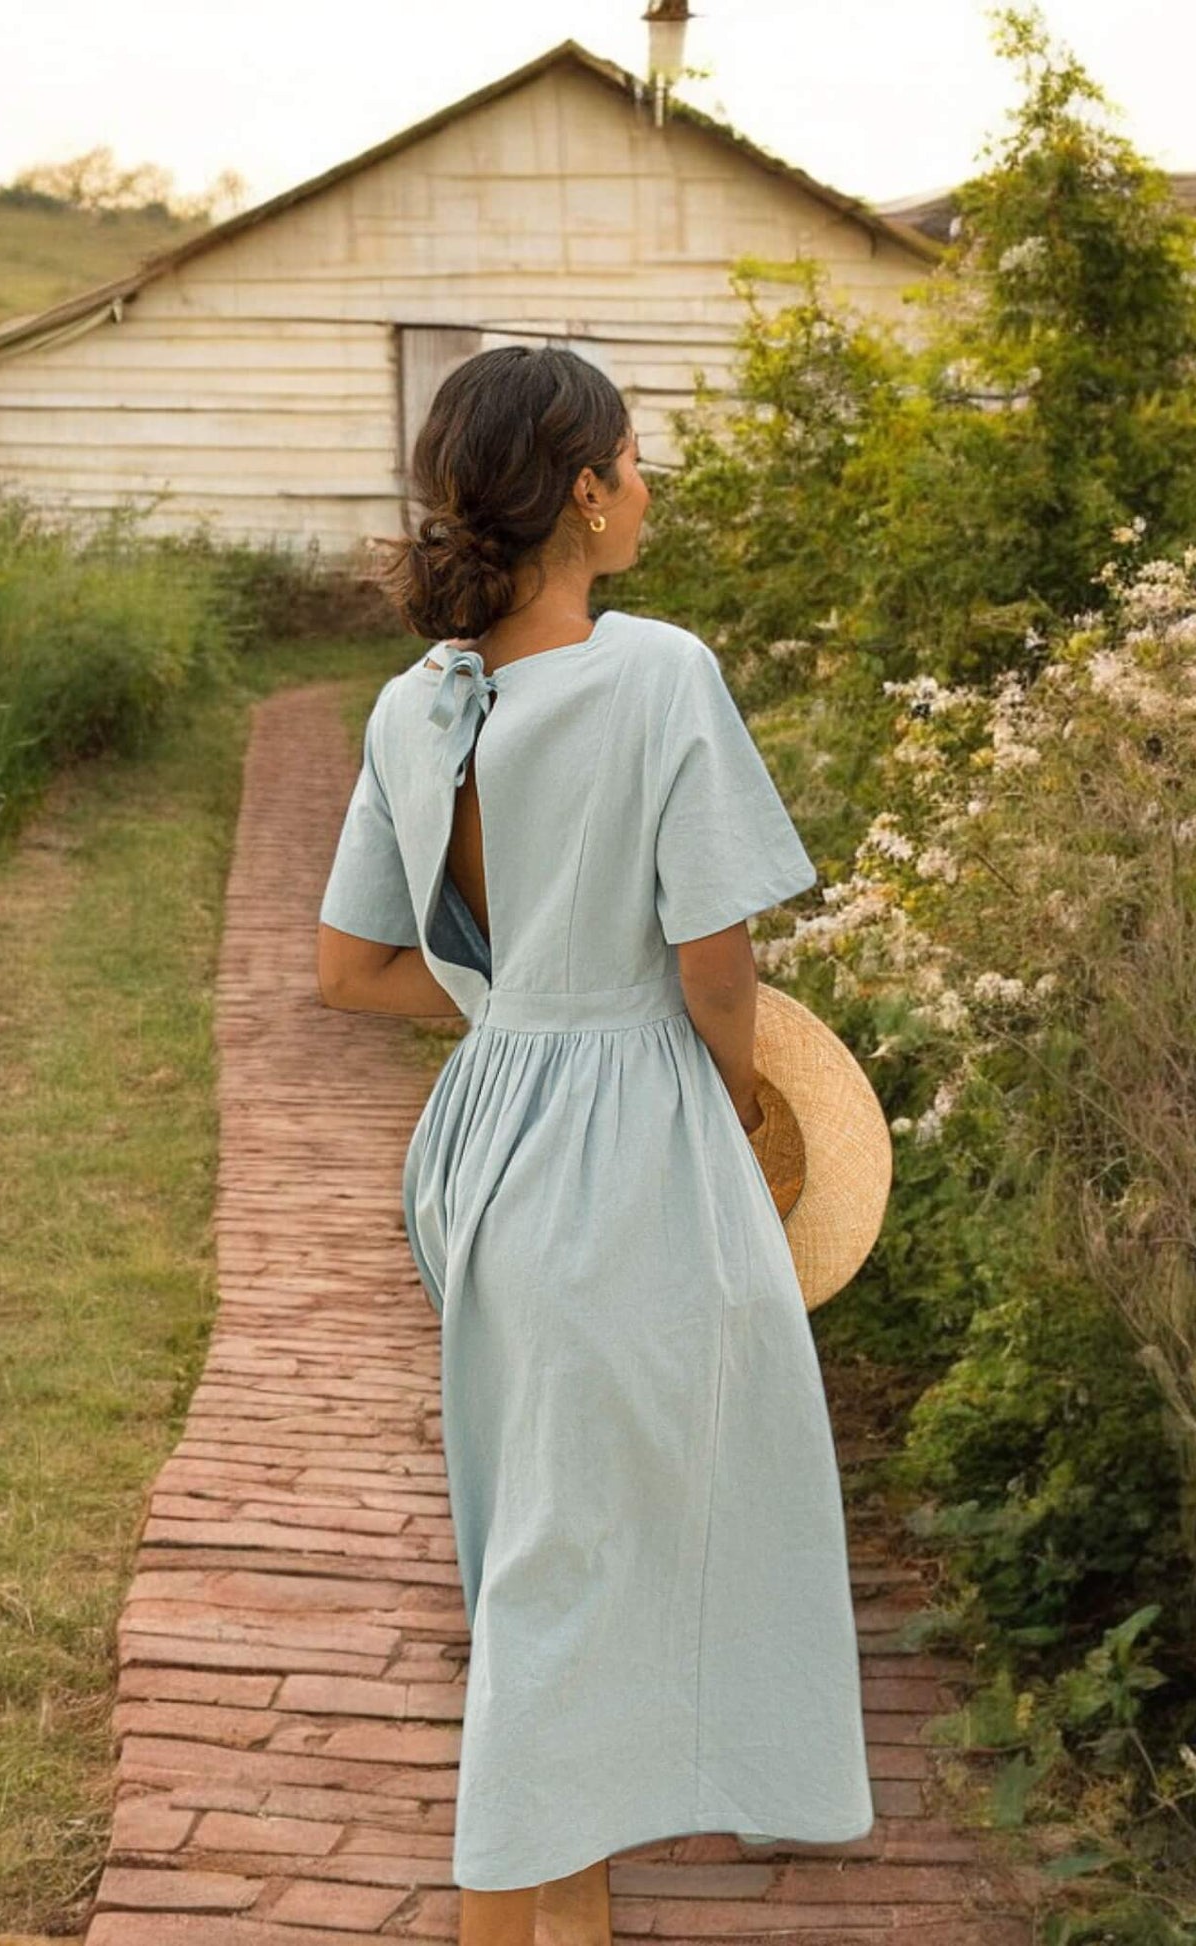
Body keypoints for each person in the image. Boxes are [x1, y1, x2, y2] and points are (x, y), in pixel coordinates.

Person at [315, 345, 872, 1946]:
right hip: (633, 1146)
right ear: (581, 486)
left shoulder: (415, 702)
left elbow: (350, 970)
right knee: (563, 1595)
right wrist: (753, 1128)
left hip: (486, 1148)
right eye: (634, 458)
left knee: (543, 1557)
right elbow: (714, 969)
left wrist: (523, 994)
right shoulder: (654, 673)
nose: (648, 485)